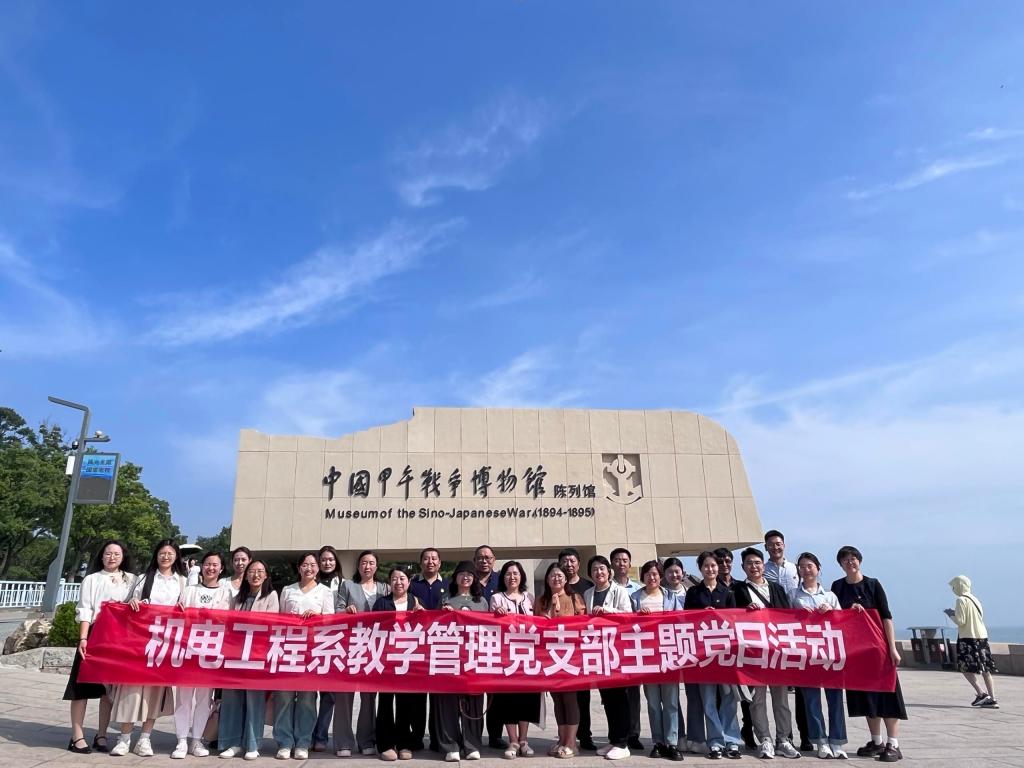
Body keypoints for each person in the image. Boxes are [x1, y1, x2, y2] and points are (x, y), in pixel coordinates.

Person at [110, 538, 188, 757]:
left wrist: (183, 608)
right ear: (156, 555)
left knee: (155, 691)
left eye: (170, 553)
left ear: (176, 557)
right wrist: (133, 604)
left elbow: (188, 610)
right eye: (162, 553)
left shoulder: (182, 582)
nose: (166, 557)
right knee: (131, 689)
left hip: (164, 643)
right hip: (140, 641)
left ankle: (145, 738)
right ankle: (124, 738)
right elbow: (128, 603)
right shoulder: (144, 578)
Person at [830, 546, 907, 763]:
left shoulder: (873, 584)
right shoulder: (837, 587)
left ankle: (894, 744)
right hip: (856, 652)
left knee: (887, 695)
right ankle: (876, 741)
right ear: (840, 564)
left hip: (878, 649)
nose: (850, 562)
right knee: (867, 698)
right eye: (845, 560)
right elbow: (835, 616)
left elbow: (886, 617)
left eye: (853, 558)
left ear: (860, 560)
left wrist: (892, 648)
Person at [64, 539, 135, 755]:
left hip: (118, 637)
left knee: (108, 689)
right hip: (95, 633)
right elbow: (85, 609)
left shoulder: (132, 580)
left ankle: (101, 735)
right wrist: (83, 638)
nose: (112, 557)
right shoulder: (92, 579)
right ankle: (77, 736)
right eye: (108, 553)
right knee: (81, 687)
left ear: (123, 556)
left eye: (116, 554)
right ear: (101, 556)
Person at [731, 547, 799, 760]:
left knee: (781, 699)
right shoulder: (738, 590)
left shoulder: (776, 588)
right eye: (749, 563)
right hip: (754, 654)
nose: (754, 567)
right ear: (743, 567)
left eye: (757, 562)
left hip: (777, 652)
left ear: (763, 565)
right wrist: (745, 611)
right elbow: (732, 617)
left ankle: (783, 739)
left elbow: (787, 616)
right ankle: (765, 740)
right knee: (757, 700)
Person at [273, 552, 335, 760]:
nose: (309, 568)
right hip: (288, 649)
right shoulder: (287, 590)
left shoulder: (325, 592)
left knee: (307, 699)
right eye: (305, 564)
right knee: (284, 697)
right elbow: (280, 619)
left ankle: (303, 742)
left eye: (313, 564)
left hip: (312, 651)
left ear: (318, 568)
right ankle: (284, 742)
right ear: (299, 568)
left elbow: (331, 621)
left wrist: (318, 617)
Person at [218, 559, 280, 759]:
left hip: (257, 655)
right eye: (252, 571)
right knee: (232, 699)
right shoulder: (237, 598)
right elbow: (228, 623)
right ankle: (233, 742)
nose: (256, 574)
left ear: (266, 575)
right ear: (245, 575)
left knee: (254, 700)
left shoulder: (271, 596)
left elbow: (271, 623)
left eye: (260, 571)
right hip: (235, 654)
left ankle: (252, 744)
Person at [173, 551, 231, 759]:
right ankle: (181, 739)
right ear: (201, 567)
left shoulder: (226, 593)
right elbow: (179, 615)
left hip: (210, 651)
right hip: (188, 650)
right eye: (207, 564)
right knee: (184, 698)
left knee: (204, 699)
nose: (211, 568)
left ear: (221, 569)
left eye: (215, 565)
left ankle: (197, 740)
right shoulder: (190, 590)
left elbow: (225, 618)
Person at [789, 552, 847, 759]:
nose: (806, 570)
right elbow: (784, 621)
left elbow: (843, 623)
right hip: (806, 653)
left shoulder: (830, 596)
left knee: (835, 699)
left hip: (829, 653)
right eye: (802, 566)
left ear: (818, 568)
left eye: (810, 566)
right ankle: (820, 740)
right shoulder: (793, 595)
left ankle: (837, 741)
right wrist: (798, 614)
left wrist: (831, 612)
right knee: (811, 700)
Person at [684, 551, 741, 760]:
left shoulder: (728, 592)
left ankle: (732, 741)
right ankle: (716, 741)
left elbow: (735, 620)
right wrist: (702, 616)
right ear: (700, 569)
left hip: (725, 654)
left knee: (728, 700)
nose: (711, 569)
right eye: (706, 566)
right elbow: (686, 621)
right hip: (704, 655)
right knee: (708, 701)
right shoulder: (693, 593)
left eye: (714, 565)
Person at [334, 550, 390, 757]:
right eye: (364, 562)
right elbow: (336, 610)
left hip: (374, 647)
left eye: (371, 563)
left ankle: (366, 740)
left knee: (369, 696)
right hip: (350, 645)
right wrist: (345, 611)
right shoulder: (348, 585)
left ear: (376, 566)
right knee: (344, 694)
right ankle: (343, 742)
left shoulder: (385, 588)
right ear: (358, 566)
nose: (367, 566)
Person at [631, 560, 684, 761]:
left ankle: (672, 743)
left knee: (671, 702)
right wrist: (638, 616)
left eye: (655, 574)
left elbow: (681, 621)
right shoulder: (635, 597)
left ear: (660, 576)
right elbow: (626, 623)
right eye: (648, 574)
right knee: (653, 702)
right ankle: (658, 742)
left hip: (668, 654)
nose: (652, 577)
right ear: (642, 577)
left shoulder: (671, 596)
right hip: (646, 656)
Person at [436, 561, 488, 761]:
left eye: (470, 574)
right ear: (455, 577)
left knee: (473, 702)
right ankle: (451, 745)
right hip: (449, 657)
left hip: (474, 658)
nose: (465, 577)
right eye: (461, 574)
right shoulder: (446, 599)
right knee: (448, 703)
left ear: (474, 579)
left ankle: (472, 744)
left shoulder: (481, 602)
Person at [583, 555, 632, 760]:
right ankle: (613, 740)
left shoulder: (620, 591)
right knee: (608, 699)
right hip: (599, 651)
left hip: (617, 651)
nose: (599, 572)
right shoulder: (588, 593)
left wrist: (607, 611)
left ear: (609, 571)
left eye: (602, 568)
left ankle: (623, 742)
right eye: (595, 569)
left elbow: (628, 615)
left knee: (619, 697)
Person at [489, 561, 540, 760]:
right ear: (503, 577)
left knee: (527, 698)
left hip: (528, 656)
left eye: (516, 573)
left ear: (522, 577)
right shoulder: (496, 598)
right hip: (506, 657)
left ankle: (524, 740)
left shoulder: (530, 597)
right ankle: (512, 740)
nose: (512, 577)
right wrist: (497, 615)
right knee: (507, 698)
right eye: (508, 574)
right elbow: (491, 626)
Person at [535, 562, 586, 758]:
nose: (556, 578)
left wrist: (558, 612)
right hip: (549, 656)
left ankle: (572, 742)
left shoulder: (575, 599)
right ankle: (562, 739)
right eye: (552, 575)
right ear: (547, 579)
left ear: (565, 579)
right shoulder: (541, 601)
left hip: (571, 656)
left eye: (560, 575)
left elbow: (583, 624)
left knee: (570, 698)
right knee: (557, 699)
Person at [374, 568, 424, 761]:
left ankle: (404, 743)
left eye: (402, 578)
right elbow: (373, 628)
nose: (398, 582)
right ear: (389, 582)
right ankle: (386, 744)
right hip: (386, 660)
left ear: (409, 582)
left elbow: (427, 627)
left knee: (405, 704)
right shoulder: (382, 603)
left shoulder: (416, 602)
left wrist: (423, 614)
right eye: (394, 579)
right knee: (385, 703)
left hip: (408, 660)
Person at [664, 556, 703, 755]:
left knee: (694, 694)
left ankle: (696, 738)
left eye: (677, 571)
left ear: (683, 572)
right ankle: (678, 735)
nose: (674, 575)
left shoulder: (693, 592)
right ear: (664, 574)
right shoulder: (660, 594)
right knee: (671, 697)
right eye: (670, 572)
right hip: (667, 649)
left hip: (691, 649)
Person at [558, 547, 596, 751]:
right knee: (563, 697)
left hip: (582, 649)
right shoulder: (556, 586)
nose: (568, 564)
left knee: (583, 695)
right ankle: (564, 736)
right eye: (565, 561)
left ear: (578, 564)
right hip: (560, 650)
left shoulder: (588, 586)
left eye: (572, 561)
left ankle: (585, 735)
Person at [409, 547, 445, 752]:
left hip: (441, 647)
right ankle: (415, 738)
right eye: (426, 558)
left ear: (440, 563)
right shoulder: (412, 585)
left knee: (439, 697)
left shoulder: (448, 585)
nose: (430, 562)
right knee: (417, 697)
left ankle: (437, 739)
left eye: (434, 558)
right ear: (421, 562)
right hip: (417, 646)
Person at [609, 548, 644, 753]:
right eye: (617, 560)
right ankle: (617, 734)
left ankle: (633, 734)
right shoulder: (607, 588)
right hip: (612, 647)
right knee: (615, 695)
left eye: (624, 560)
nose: (621, 563)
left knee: (633, 694)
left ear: (629, 563)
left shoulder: (639, 590)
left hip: (633, 646)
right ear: (612, 564)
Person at [945, 575, 998, 708]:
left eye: (954, 586)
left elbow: (960, 621)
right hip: (982, 637)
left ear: (959, 586)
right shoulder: (975, 599)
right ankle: (992, 698)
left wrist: (951, 614)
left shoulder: (961, 600)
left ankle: (981, 693)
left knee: (964, 667)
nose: (953, 589)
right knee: (985, 668)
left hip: (968, 638)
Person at [473, 544, 506, 750]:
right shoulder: (467, 579)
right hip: (472, 644)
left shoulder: (501, 580)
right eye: (480, 558)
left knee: (495, 694)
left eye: (488, 558)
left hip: (496, 644)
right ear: (474, 560)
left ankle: (495, 735)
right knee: (473, 692)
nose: (484, 561)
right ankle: (472, 735)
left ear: (494, 560)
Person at [312, 545, 343, 752]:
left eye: (331, 559)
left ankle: (321, 736)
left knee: (329, 694)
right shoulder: (309, 582)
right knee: (307, 694)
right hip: (310, 642)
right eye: (323, 559)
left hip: (334, 643)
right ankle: (306, 734)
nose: (327, 563)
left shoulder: (344, 584)